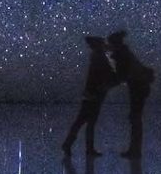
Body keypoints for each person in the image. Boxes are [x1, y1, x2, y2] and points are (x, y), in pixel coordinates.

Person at [62, 35, 119, 157]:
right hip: (94, 95)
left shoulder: (97, 56)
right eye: (103, 44)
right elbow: (109, 75)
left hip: (92, 94)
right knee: (86, 122)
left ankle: (76, 146)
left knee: (83, 122)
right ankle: (77, 146)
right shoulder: (100, 58)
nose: (105, 46)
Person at [107, 30, 154, 158]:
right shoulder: (124, 53)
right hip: (140, 87)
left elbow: (121, 76)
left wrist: (105, 86)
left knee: (135, 119)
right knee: (135, 119)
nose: (109, 45)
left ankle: (135, 151)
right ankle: (135, 150)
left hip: (138, 88)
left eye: (110, 43)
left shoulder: (122, 55)